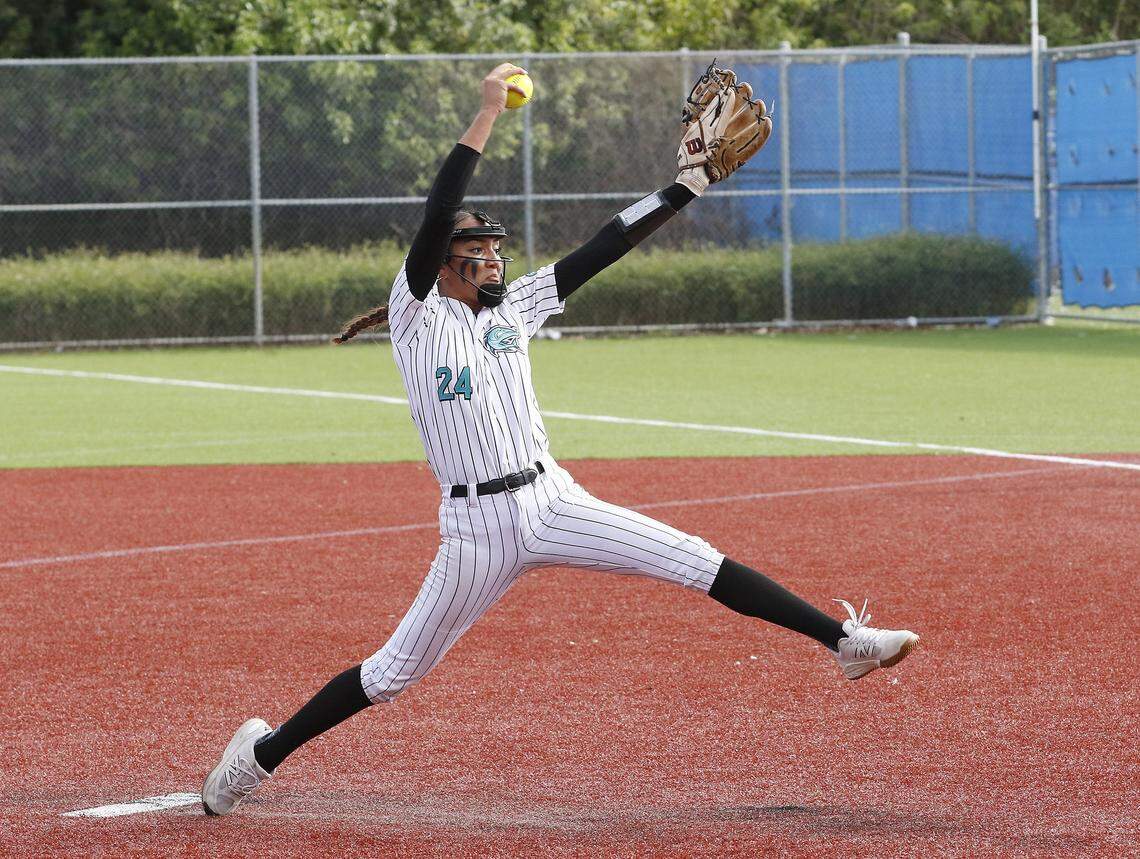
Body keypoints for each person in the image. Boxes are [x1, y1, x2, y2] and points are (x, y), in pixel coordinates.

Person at [202, 63, 919, 817]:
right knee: (391, 673)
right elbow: (438, 207)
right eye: (475, 250)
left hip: (551, 498)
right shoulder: (418, 314)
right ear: (441, 263)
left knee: (695, 559)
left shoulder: (514, 310)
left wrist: (685, 188)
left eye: (492, 249)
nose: (491, 259)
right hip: (475, 532)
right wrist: (486, 114)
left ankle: (844, 642)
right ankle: (258, 756)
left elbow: (604, 246)